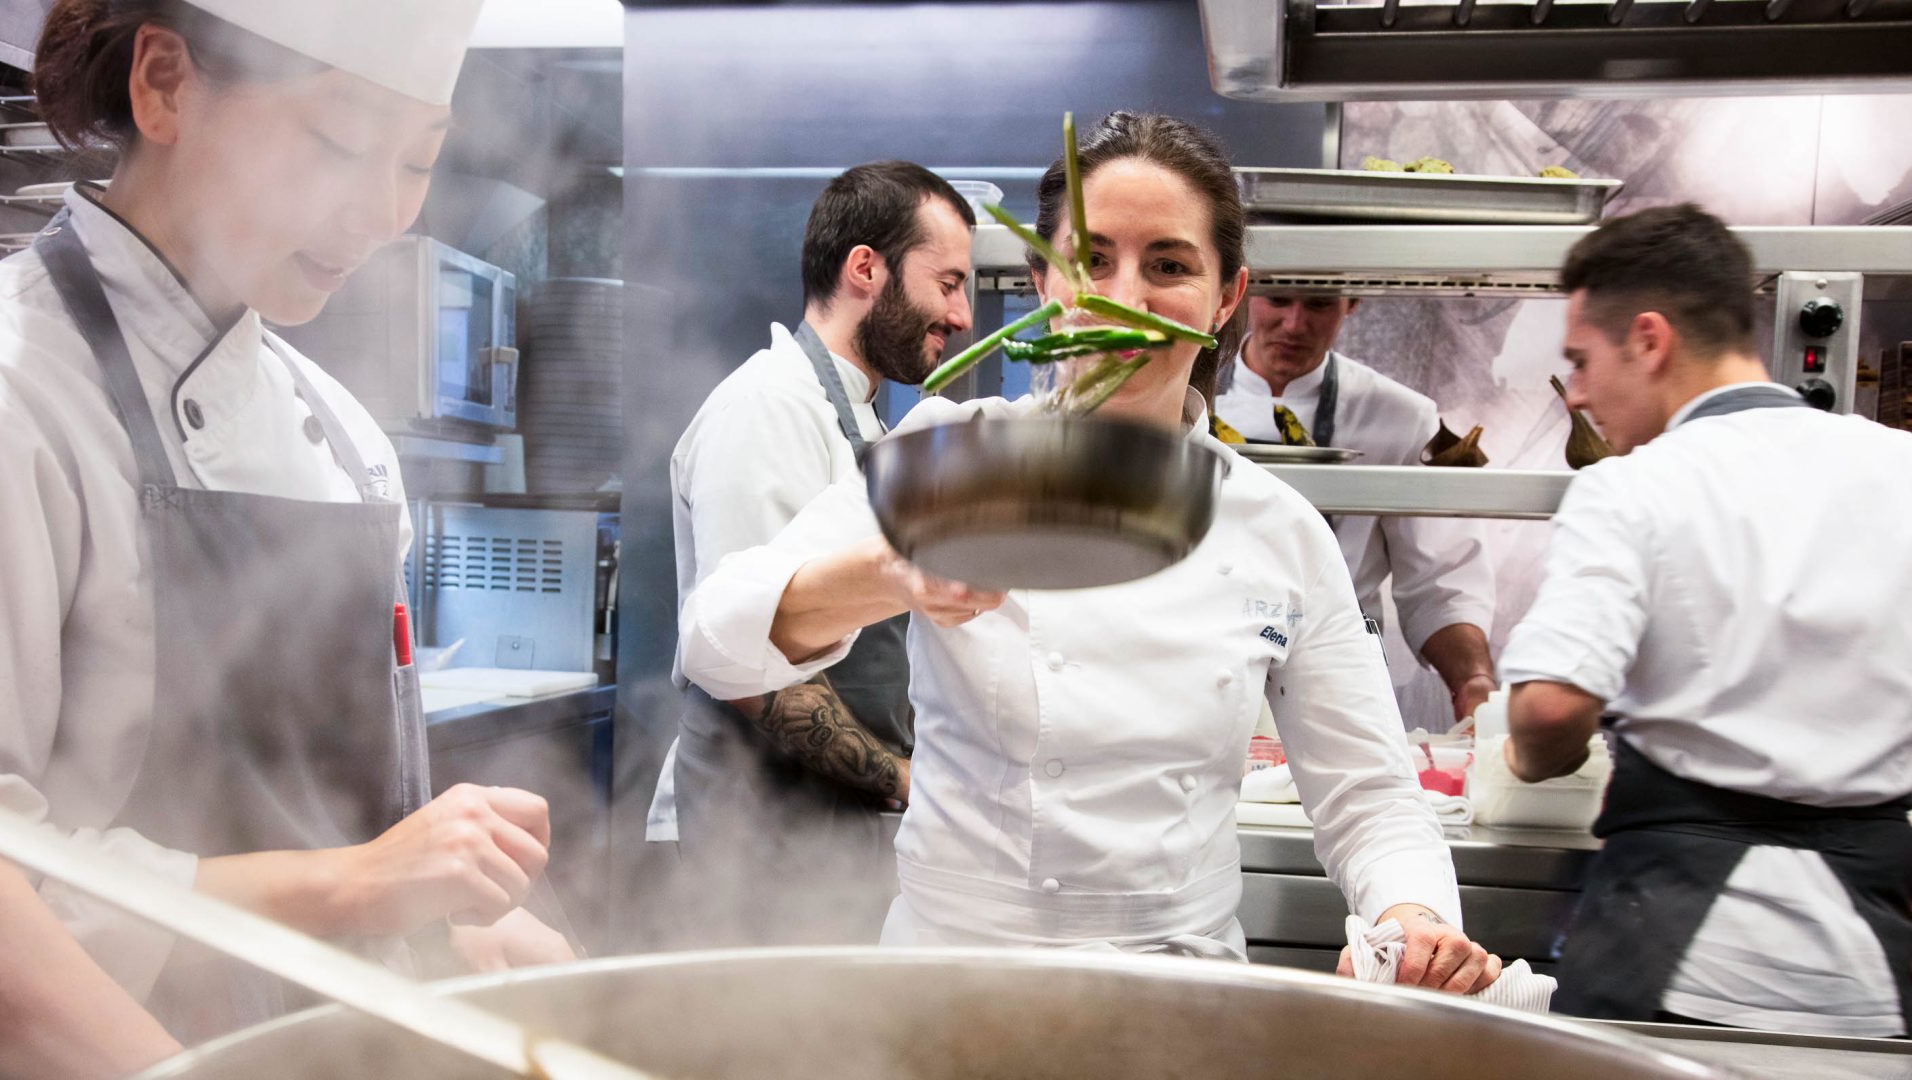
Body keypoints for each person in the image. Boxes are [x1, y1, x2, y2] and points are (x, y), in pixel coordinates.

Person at [678, 112, 1496, 990]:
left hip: (1180, 990)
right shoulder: (950, 455)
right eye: (1092, 260)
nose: (1124, 298)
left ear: (1226, 298)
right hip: (949, 980)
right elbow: (715, 641)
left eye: (1170, 265)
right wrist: (890, 573)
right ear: (1041, 281)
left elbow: (1367, 795)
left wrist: (1411, 916)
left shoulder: (1278, 527)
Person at [0, 3, 573, 1075]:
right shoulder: (15, 394)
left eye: (417, 160)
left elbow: (345, 819)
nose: (383, 213)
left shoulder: (347, 446)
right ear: (164, 85)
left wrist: (443, 921)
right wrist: (357, 886)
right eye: (340, 142)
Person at [1499, 204, 1912, 1035]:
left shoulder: (1634, 486)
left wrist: (1531, 752)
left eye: (1581, 361)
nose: (1576, 393)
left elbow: (1550, 709)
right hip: (1878, 956)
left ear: (1649, 340)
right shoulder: (1899, 467)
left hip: (1681, 954)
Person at [648, 161, 974, 943]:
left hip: (826, 830)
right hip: (756, 837)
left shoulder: (855, 420)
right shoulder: (767, 409)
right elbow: (746, 667)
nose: (962, 315)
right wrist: (910, 782)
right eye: (950, 283)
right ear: (867, 268)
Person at [1214, 295, 1498, 729]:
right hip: (1210, 662)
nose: (1294, 324)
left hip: (1338, 670)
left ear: (1352, 303)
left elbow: (1439, 582)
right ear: (1245, 292)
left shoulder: (1401, 415)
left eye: (1319, 305)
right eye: (1278, 301)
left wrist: (1473, 681)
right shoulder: (1188, 398)